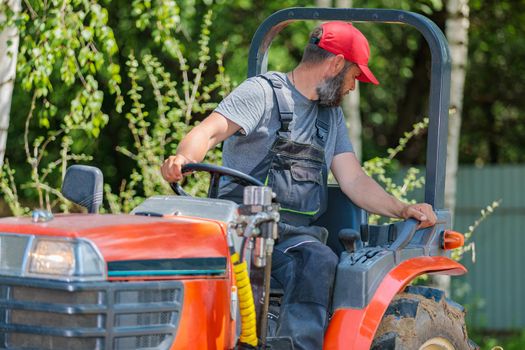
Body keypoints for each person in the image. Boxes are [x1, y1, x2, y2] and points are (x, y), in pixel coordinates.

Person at [161, 21, 436, 350]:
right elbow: (207, 132)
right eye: (354, 76)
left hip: (293, 240)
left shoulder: (329, 118)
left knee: (317, 260)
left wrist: (402, 208)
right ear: (335, 64)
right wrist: (181, 158)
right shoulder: (261, 93)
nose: (352, 87)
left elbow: (353, 179)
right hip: (238, 231)